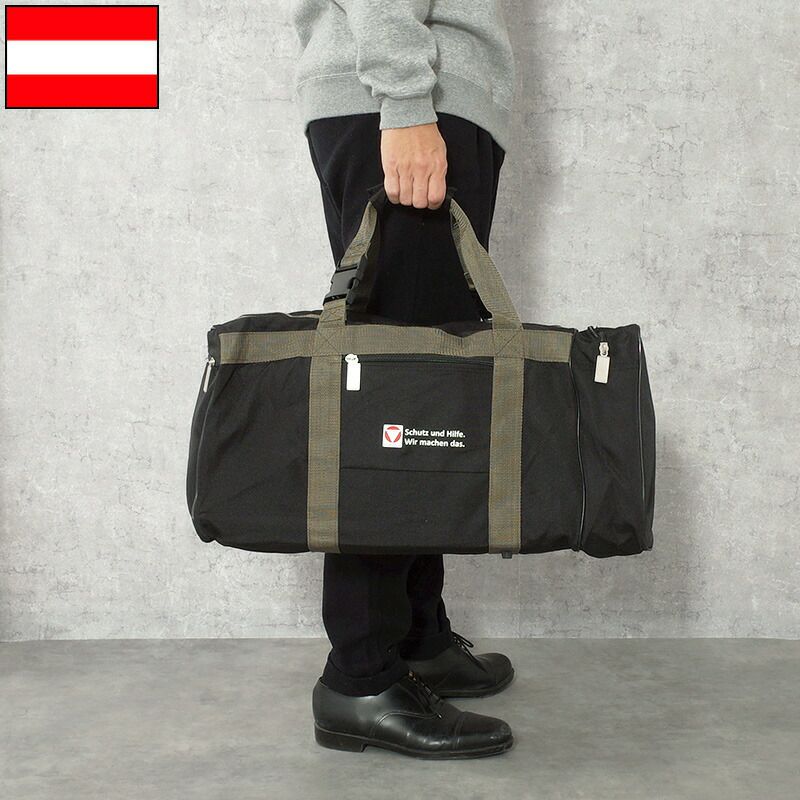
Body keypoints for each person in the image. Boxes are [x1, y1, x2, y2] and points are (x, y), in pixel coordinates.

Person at [290, 1, 517, 759]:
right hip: (405, 98)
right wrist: (406, 100)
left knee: (426, 396)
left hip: (426, 95)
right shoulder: (406, 99)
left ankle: (416, 635)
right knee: (395, 402)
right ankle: (362, 676)